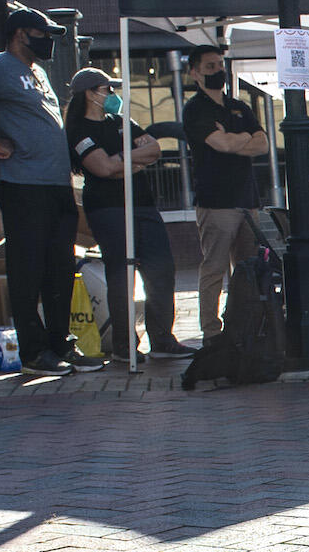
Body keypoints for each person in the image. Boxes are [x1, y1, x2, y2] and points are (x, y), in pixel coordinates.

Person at [0, 8, 98, 375]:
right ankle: (33, 353)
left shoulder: (38, 71)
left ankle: (59, 344)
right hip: (21, 182)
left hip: (55, 183)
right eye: (42, 33)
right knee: (28, 267)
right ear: (20, 34)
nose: (48, 41)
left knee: (59, 267)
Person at [65, 68, 190, 363]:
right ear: (91, 93)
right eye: (107, 89)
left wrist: (120, 160)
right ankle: (124, 344)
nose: (112, 95)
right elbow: (102, 169)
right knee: (122, 274)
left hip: (143, 204)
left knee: (161, 268)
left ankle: (162, 339)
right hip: (108, 208)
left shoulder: (122, 122)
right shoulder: (79, 130)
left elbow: (155, 148)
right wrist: (129, 160)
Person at [179, 43, 267, 341]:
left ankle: (243, 326)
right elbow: (223, 145)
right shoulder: (195, 109)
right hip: (216, 201)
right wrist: (243, 137)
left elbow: (263, 143)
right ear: (194, 72)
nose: (218, 71)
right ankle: (211, 333)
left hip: (247, 199)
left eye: (220, 65)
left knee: (248, 270)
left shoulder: (239, 106)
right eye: (210, 67)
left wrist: (234, 137)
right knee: (214, 268)